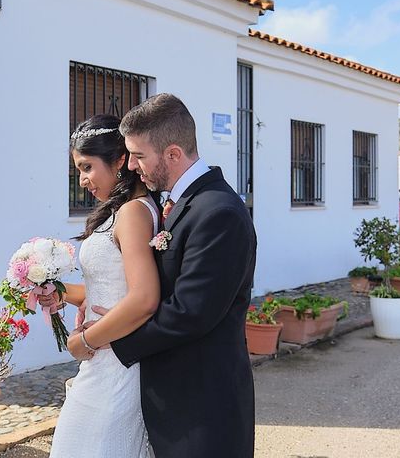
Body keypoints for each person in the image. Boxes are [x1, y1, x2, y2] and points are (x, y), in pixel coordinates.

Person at [83, 93, 258, 457]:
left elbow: (190, 312)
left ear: (174, 154)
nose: (130, 166)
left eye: (139, 155)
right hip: (172, 402)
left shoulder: (219, 212)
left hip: (202, 408)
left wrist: (113, 340)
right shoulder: (176, 203)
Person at [46, 114, 161, 458]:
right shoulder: (121, 210)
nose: (82, 180)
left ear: (120, 160)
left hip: (115, 362)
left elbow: (143, 298)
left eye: (87, 167)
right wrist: (60, 291)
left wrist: (83, 341)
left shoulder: (133, 213)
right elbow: (111, 287)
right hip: (103, 361)